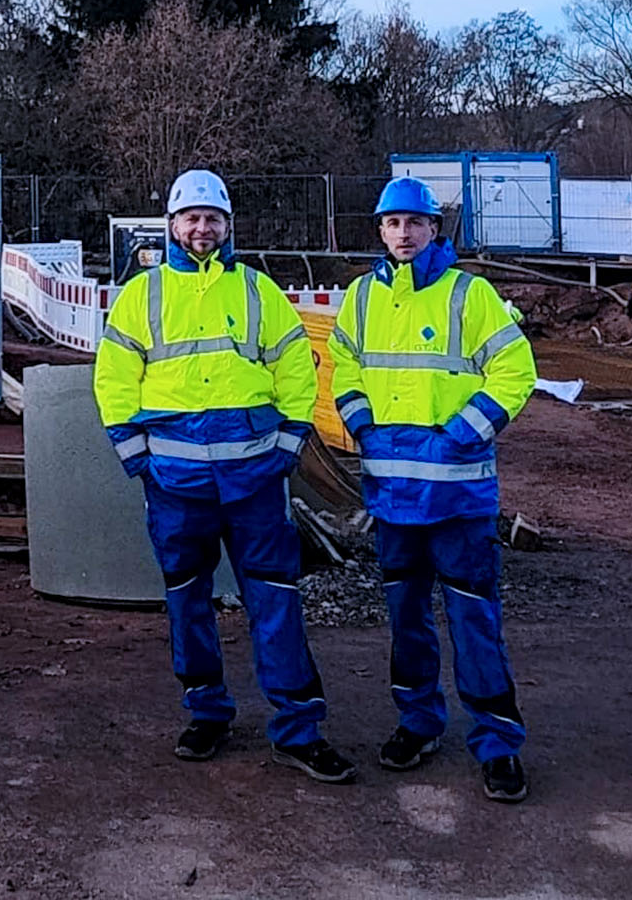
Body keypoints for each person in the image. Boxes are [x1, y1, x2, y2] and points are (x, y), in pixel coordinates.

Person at [95, 168, 356, 783]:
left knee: (277, 602)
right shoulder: (142, 295)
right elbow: (112, 380)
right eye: (191, 218)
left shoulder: (258, 292)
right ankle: (206, 712)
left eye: (212, 218)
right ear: (172, 226)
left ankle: (297, 729)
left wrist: (290, 443)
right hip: (177, 488)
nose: (202, 229)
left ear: (228, 226)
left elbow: (296, 366)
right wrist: (138, 459)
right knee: (188, 603)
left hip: (255, 484)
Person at [332, 176, 538, 804]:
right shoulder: (361, 298)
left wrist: (460, 435)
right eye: (392, 224)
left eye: (414, 224)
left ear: (433, 229)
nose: (403, 234)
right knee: (407, 620)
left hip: (458, 500)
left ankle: (498, 745)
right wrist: (361, 422)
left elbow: (515, 370)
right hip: (394, 498)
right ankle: (417, 723)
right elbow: (343, 364)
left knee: (474, 619)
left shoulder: (469, 295)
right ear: (380, 230)